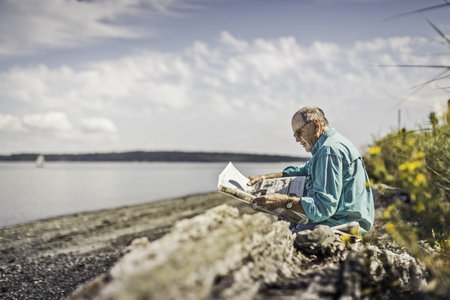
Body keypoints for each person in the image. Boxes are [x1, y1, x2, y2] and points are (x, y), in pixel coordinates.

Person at [247, 106, 374, 234]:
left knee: (282, 234)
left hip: (341, 223)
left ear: (315, 125)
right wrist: (264, 178)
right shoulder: (332, 144)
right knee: (283, 222)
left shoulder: (328, 151)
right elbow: (304, 170)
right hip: (345, 217)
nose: (297, 139)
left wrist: (284, 201)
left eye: (299, 133)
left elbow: (323, 207)